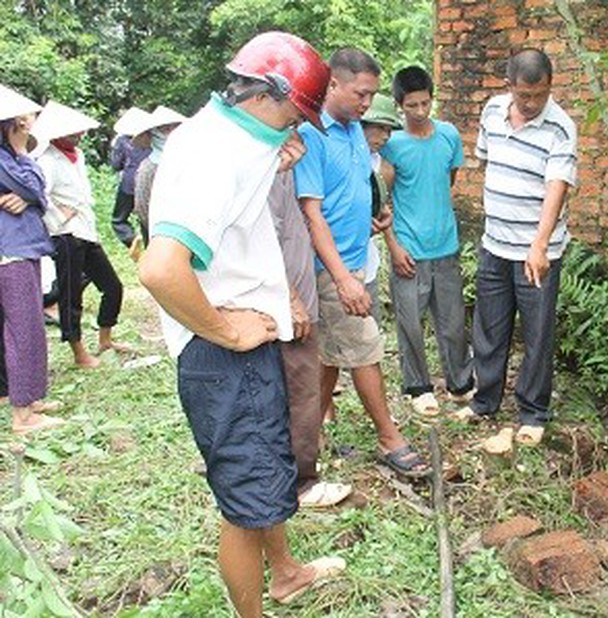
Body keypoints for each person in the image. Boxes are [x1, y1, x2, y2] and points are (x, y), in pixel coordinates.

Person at [138, 32, 345, 616]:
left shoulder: (232, 139)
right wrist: (225, 330)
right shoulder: (215, 155)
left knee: (267, 467)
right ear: (267, 96)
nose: (296, 131)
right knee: (245, 502)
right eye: (294, 116)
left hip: (247, 349)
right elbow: (160, 268)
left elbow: (233, 221)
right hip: (223, 357)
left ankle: (285, 571)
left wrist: (271, 162)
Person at [295, 48, 430, 479]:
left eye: (371, 95)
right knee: (365, 348)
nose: (367, 103)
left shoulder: (354, 128)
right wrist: (341, 278)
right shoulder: (312, 134)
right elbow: (312, 213)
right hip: (331, 268)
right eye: (360, 94)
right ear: (332, 84)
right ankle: (389, 437)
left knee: (330, 357)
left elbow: (350, 189)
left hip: (356, 258)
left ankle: (306, 439)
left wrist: (375, 222)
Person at [454, 49, 577, 447]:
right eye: (524, 95)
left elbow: (556, 187)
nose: (531, 103)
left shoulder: (560, 128)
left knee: (537, 332)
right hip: (494, 243)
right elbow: (489, 164)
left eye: (539, 95)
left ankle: (533, 411)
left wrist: (538, 245)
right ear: (509, 87)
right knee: (489, 325)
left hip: (536, 251)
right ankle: (485, 399)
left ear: (549, 88)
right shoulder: (492, 112)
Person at [381, 67, 473, 417]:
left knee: (451, 322)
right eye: (412, 105)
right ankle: (418, 387)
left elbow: (448, 180)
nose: (420, 111)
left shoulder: (448, 135)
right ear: (399, 105)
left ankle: (460, 382)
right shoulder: (392, 145)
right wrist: (393, 245)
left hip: (445, 244)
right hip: (408, 249)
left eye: (425, 103)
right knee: (411, 323)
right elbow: (382, 200)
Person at [267, 169, 353, 508]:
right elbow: (267, 244)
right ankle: (302, 482)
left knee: (294, 388)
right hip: (288, 305)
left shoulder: (285, 173)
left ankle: (283, 472)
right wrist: (291, 299)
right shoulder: (270, 175)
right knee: (301, 390)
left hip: (296, 298)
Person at [32, 101, 128, 368]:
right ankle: (78, 352)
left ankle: (105, 339)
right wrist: (58, 214)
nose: (79, 135)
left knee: (112, 286)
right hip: (65, 234)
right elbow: (39, 195)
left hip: (86, 231)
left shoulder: (78, 156)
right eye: (73, 132)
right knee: (71, 295)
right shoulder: (47, 160)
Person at [0, 84, 65, 435]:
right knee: (24, 328)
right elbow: (33, 187)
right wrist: (22, 153)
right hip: (11, 251)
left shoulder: (11, 158)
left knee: (25, 326)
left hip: (21, 247)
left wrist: (28, 199)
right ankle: (23, 415)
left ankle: (28, 397)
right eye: (23, 121)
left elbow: (36, 192)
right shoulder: (8, 157)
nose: (29, 125)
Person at [360, 93, 401, 327]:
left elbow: (382, 209)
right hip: (334, 261)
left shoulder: (383, 168)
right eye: (380, 128)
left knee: (370, 334)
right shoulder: (342, 156)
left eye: (389, 130)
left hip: (367, 261)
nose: (385, 136)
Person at [132, 105, 186, 246]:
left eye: (173, 127)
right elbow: (143, 208)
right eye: (164, 129)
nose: (169, 132)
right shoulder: (149, 167)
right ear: (153, 133)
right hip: (162, 235)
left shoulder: (191, 160)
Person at [109, 107, 151, 254]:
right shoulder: (152, 139)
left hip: (129, 184)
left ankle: (130, 238)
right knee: (148, 219)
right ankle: (151, 247)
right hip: (150, 182)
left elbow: (116, 164)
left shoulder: (123, 141)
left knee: (118, 219)